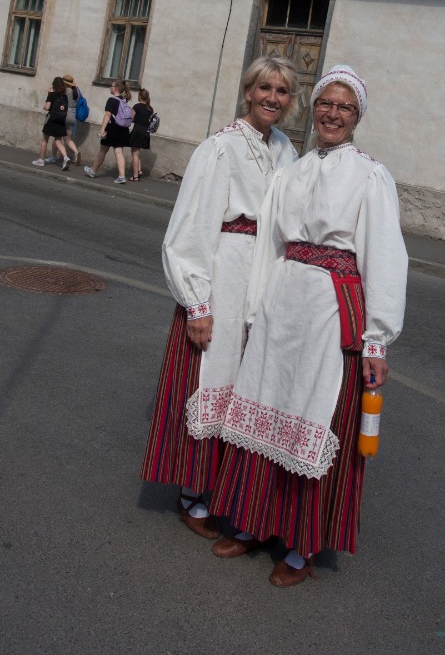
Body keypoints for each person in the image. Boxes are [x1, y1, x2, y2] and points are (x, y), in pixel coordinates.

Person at [209, 65, 408, 586]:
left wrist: (377, 339)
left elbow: (386, 258)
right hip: (282, 302)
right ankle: (253, 522)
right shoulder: (289, 173)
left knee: (311, 413)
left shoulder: (369, 175)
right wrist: (255, 311)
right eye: (326, 103)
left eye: (344, 107)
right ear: (313, 108)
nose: (333, 113)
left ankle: (300, 545)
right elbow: (269, 249)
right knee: (266, 401)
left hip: (328, 311)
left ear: (357, 115)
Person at [140, 56, 299, 540]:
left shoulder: (288, 150)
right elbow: (189, 230)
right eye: (264, 88)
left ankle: (230, 489)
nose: (272, 97)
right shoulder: (220, 149)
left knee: (250, 385)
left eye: (282, 91)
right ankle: (192, 491)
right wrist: (198, 304)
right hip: (226, 273)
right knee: (212, 377)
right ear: (248, 91)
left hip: (266, 275)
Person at [83, 80, 132, 184]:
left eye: (111, 86)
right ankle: (122, 176)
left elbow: (107, 115)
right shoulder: (124, 100)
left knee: (102, 151)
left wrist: (102, 129)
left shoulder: (112, 100)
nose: (110, 87)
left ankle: (93, 171)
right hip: (123, 129)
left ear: (116, 89)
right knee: (119, 152)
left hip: (112, 128)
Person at [32, 77, 71, 169]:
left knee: (45, 140)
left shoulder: (52, 95)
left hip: (52, 120)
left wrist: (44, 107)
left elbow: (48, 107)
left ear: (54, 85)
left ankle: (41, 160)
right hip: (61, 121)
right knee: (58, 141)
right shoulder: (65, 96)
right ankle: (66, 157)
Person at [45, 73, 80, 165]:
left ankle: (53, 156)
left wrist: (50, 93)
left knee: (57, 138)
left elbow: (57, 99)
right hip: (73, 116)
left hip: (63, 115)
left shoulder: (66, 91)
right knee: (68, 139)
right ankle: (76, 152)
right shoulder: (76, 91)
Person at [129, 88, 153, 181]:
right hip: (144, 131)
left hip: (137, 130)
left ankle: (135, 176)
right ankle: (138, 170)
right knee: (136, 150)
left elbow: (131, 118)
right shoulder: (150, 108)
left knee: (135, 153)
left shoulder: (137, 106)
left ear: (139, 96)